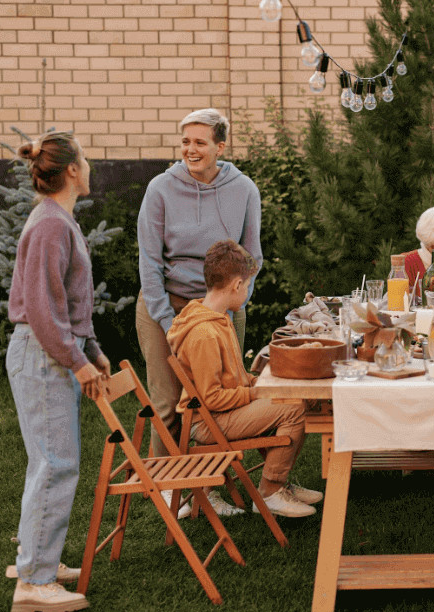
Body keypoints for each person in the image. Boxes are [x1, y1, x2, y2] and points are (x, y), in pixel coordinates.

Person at [6, 132, 111, 612]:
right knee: (56, 463)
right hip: (43, 353)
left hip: (49, 350)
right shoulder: (51, 225)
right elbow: (45, 313)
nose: (88, 167)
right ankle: (34, 583)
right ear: (71, 169)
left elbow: (68, 303)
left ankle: (37, 559)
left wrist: (91, 348)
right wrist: (79, 362)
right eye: (84, 160)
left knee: (48, 460)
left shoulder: (57, 221)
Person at [136, 108, 262, 490]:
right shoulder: (160, 188)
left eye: (200, 142)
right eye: (186, 141)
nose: (190, 150)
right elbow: (149, 260)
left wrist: (233, 304)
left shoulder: (244, 190)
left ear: (220, 146)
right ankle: (171, 489)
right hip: (168, 305)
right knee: (168, 403)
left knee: (220, 399)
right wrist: (165, 319)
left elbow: (251, 257)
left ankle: (213, 484)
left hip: (223, 306)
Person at [167, 240, 322, 518]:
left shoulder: (219, 318)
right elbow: (211, 398)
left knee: (302, 397)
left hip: (224, 411)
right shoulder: (204, 334)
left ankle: (280, 483)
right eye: (248, 285)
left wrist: (257, 382)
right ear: (236, 285)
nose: (248, 291)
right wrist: (255, 393)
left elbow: (232, 377)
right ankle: (270, 492)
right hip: (206, 423)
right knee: (294, 408)